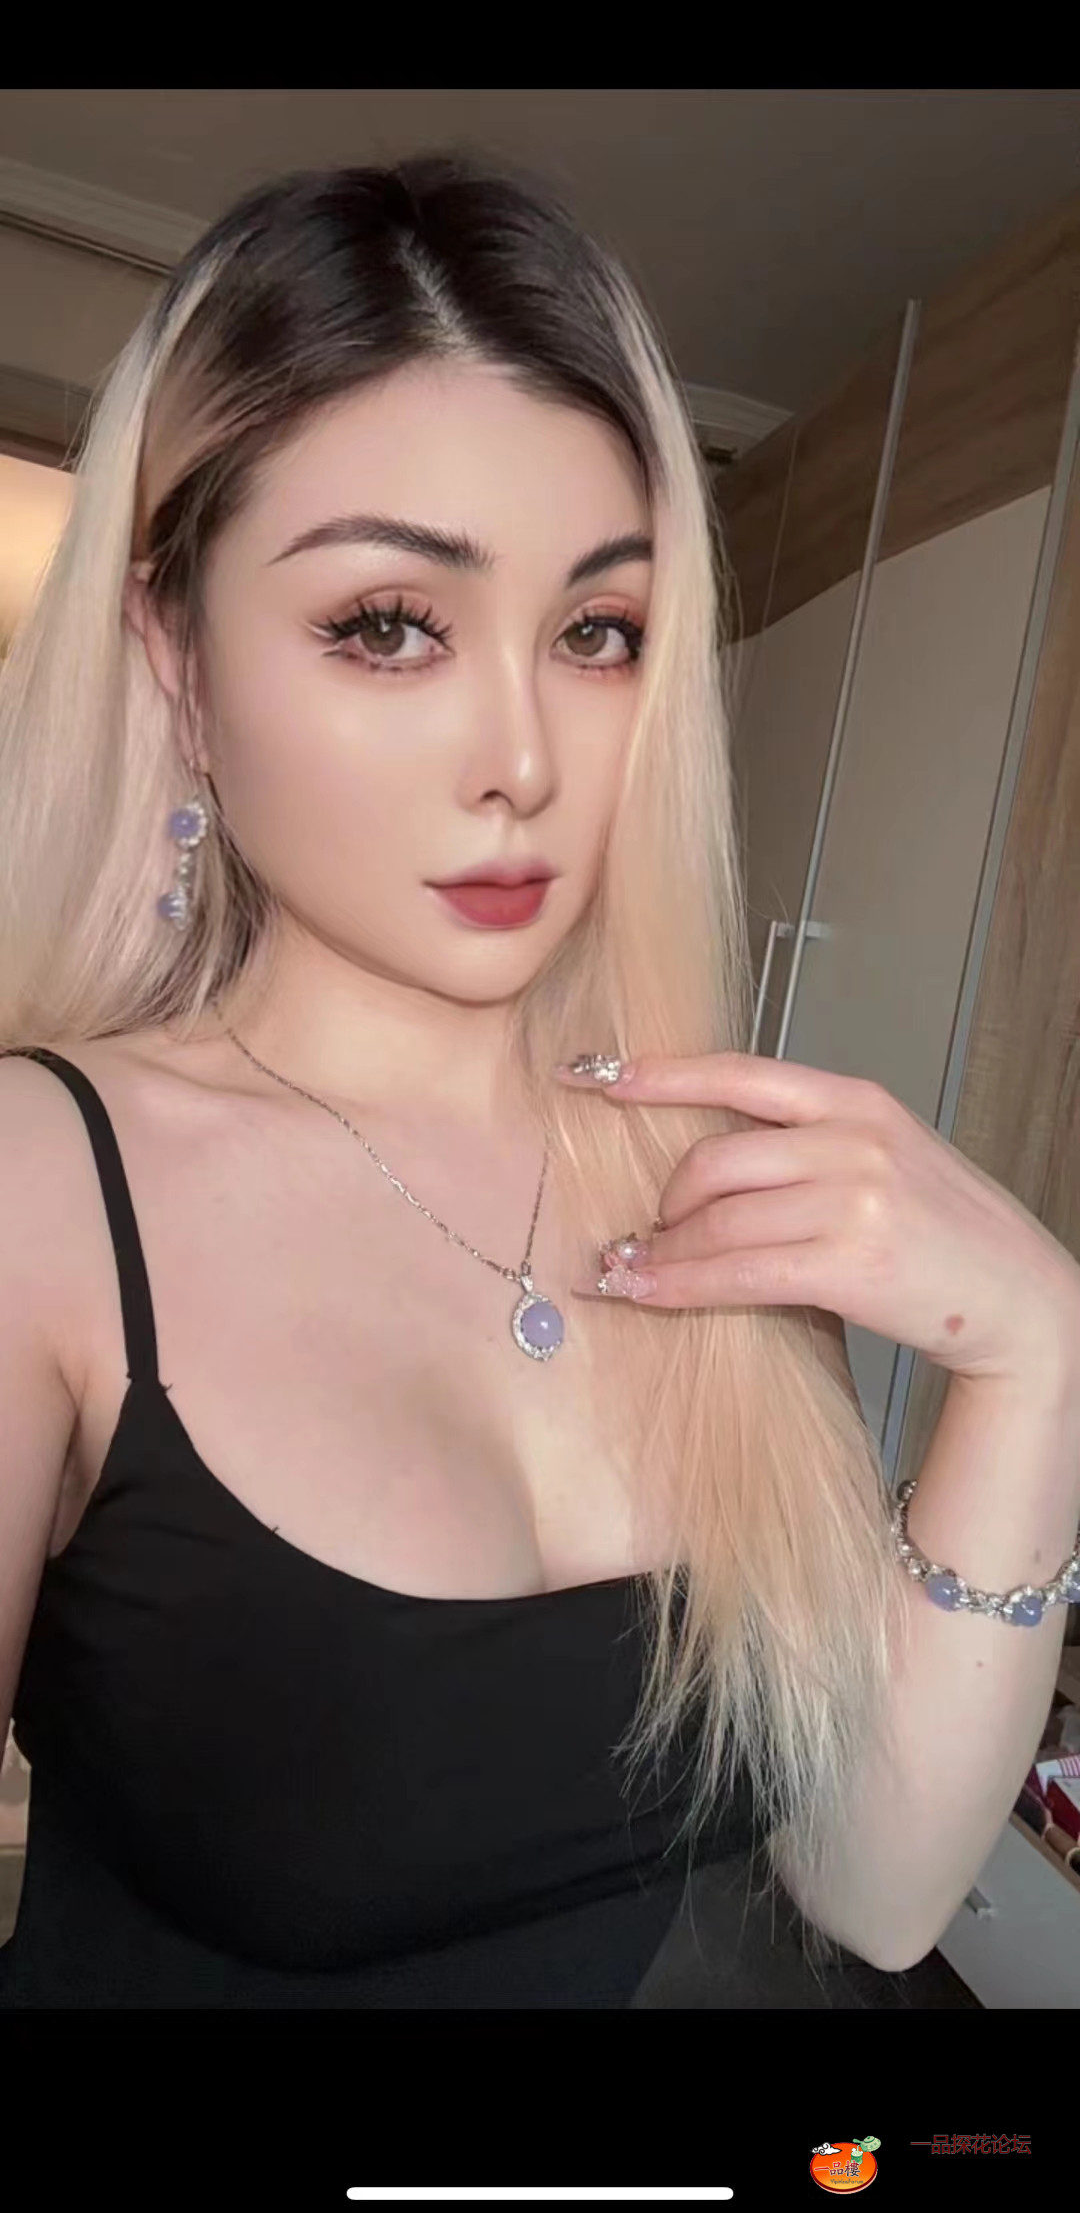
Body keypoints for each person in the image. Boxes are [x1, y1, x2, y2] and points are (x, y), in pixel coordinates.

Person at [3, 156, 1074, 2010]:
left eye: (597, 632)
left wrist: (1040, 1351)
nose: (525, 757)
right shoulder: (41, 1192)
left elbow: (880, 1882)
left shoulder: (707, 1180)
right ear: (178, 658)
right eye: (389, 623)